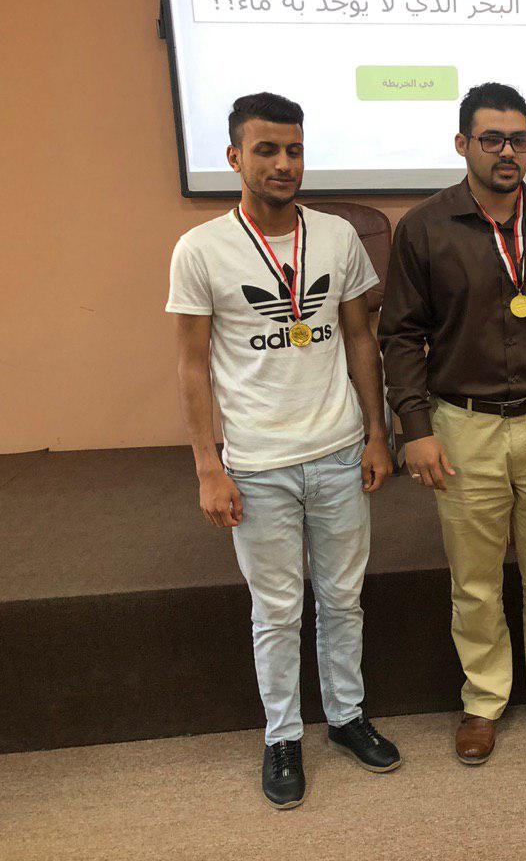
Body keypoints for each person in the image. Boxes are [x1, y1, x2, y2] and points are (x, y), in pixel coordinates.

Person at [167, 92, 400, 810]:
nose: (283, 163)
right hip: (258, 464)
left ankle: (347, 717)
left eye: (293, 150)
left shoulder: (336, 236)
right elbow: (192, 367)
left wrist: (376, 432)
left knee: (343, 597)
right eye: (265, 150)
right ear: (234, 157)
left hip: (338, 451)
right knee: (275, 609)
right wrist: (208, 467)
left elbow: (359, 337)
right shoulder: (200, 249)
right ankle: (282, 735)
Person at [379, 82, 526, 765]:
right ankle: (484, 699)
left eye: (519, 139)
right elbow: (400, 336)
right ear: (463, 144)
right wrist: (416, 428)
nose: (507, 151)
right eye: (492, 139)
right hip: (463, 426)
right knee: (476, 578)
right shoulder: (424, 228)